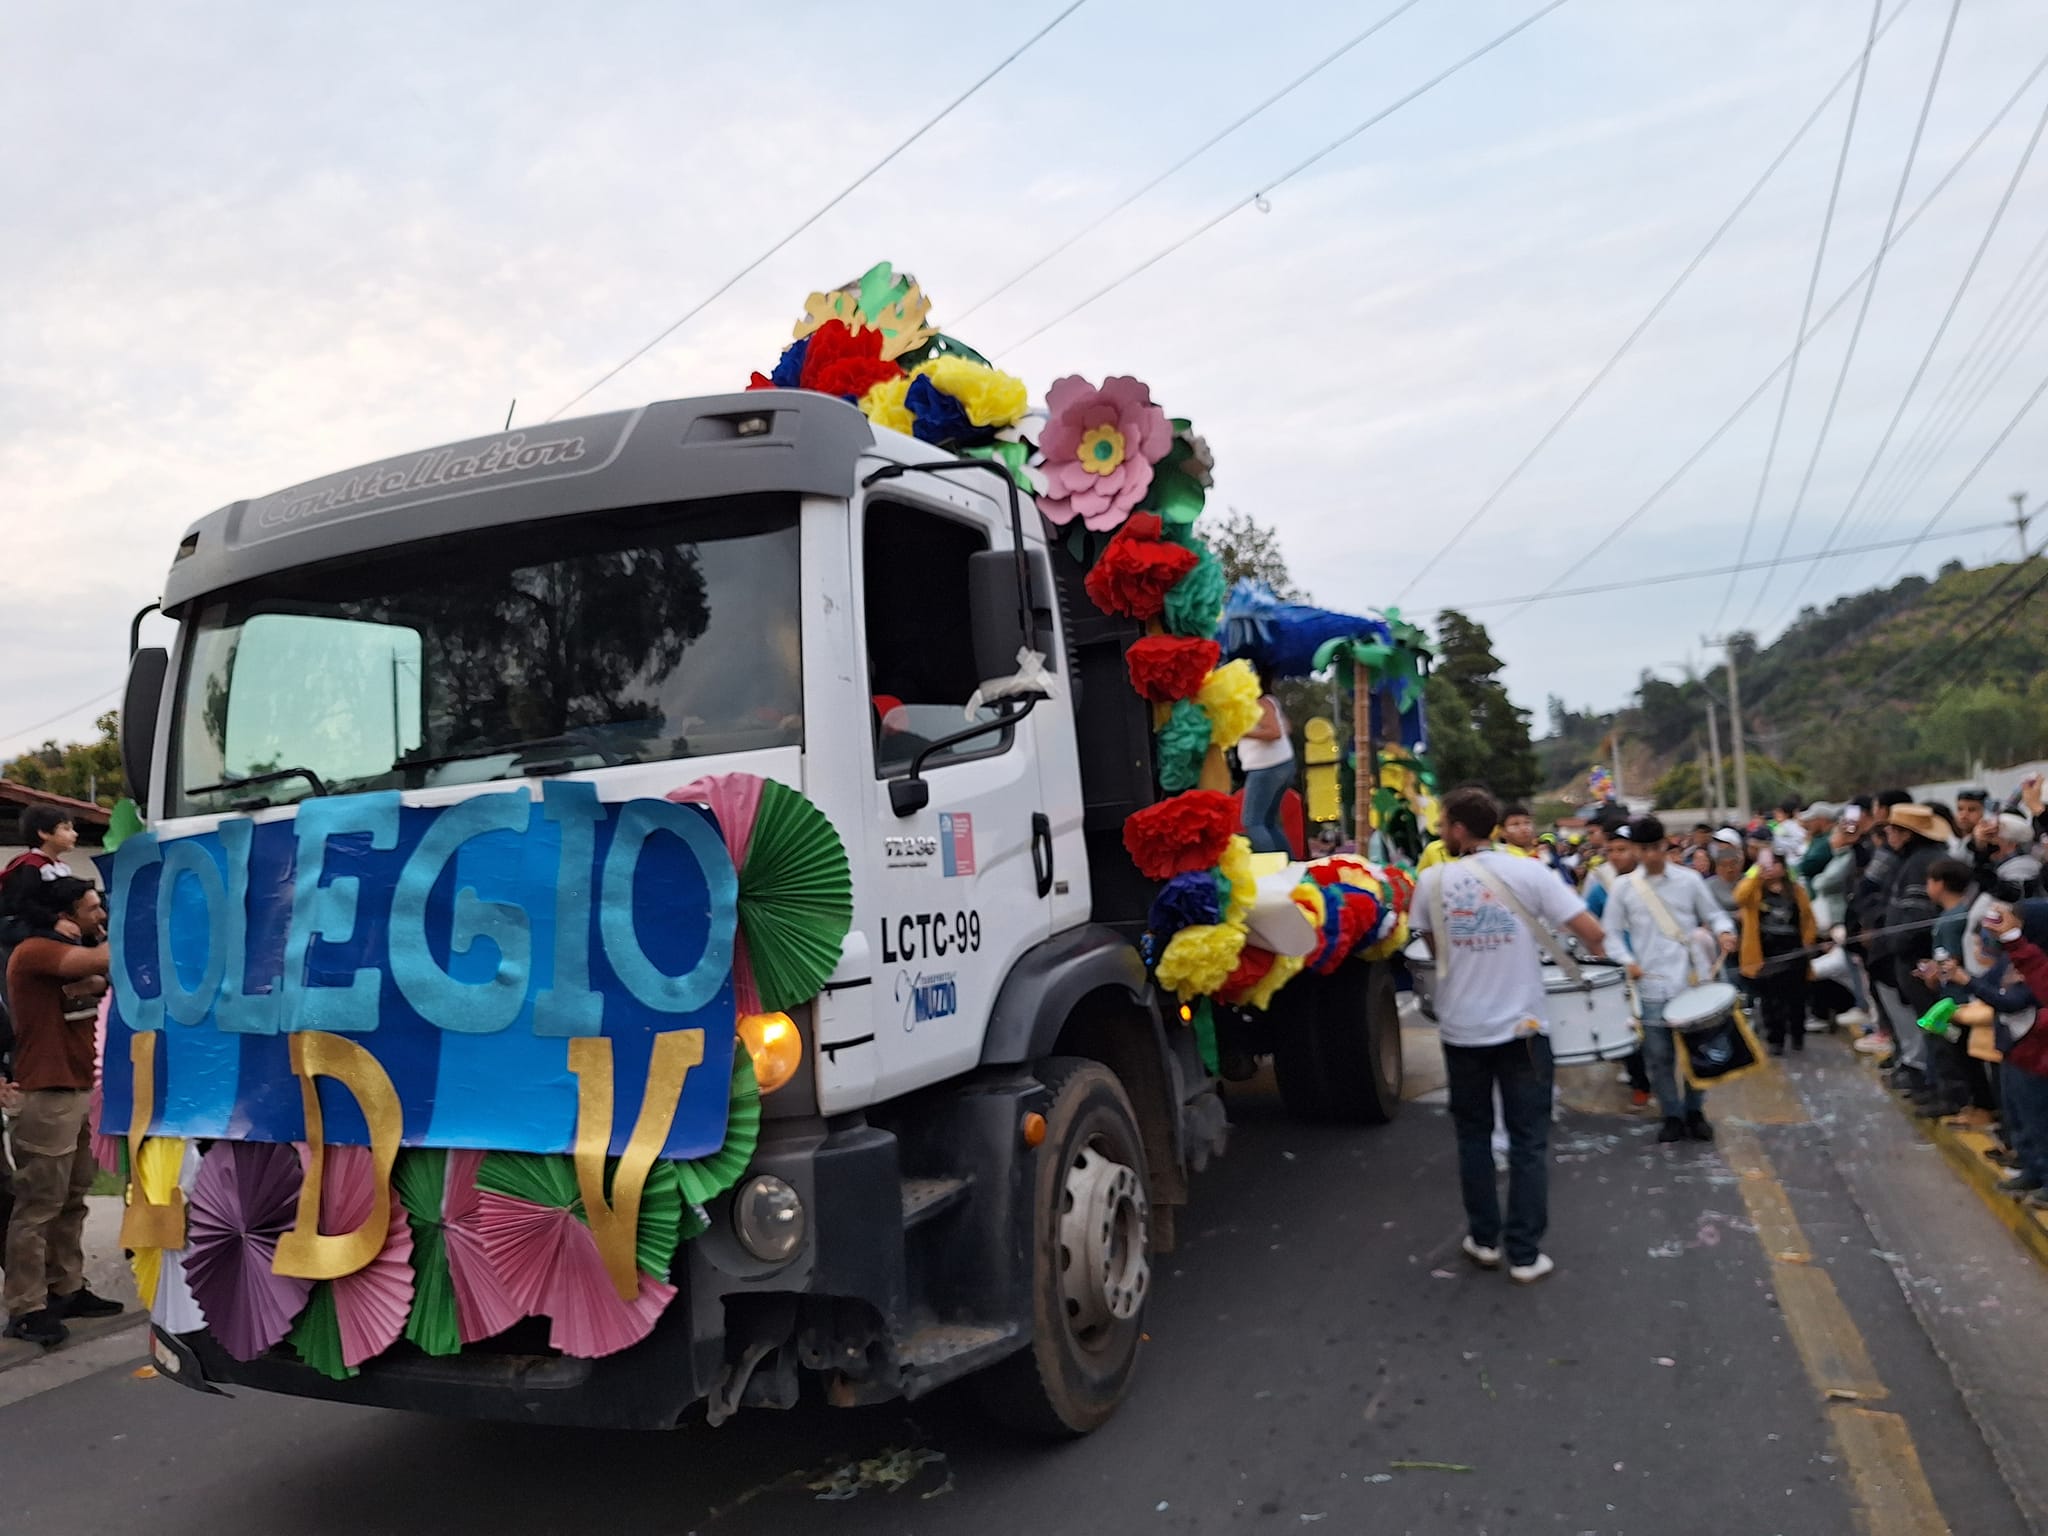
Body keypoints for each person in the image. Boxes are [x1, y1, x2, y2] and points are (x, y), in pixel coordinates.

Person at [1411, 787, 1607, 1285]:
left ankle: (1483, 1239)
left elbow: (1435, 948)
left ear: (1458, 829)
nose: (1438, 830)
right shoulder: (1529, 871)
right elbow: (1591, 932)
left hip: (1461, 1030)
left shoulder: (1430, 880)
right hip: (1523, 1028)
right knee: (1528, 1141)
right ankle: (1524, 1253)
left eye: (1442, 823)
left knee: (1473, 1137)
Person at [3, 876, 123, 1346]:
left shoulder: (64, 953)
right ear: (65, 915)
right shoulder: (35, 951)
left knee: (72, 1199)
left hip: (79, 1090)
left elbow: (100, 975)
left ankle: (67, 1288)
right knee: (37, 1206)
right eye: (93, 909)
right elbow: (101, 961)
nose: (101, 916)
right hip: (46, 1094)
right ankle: (26, 1306)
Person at [1600, 815, 1738, 1143]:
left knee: (1698, 1051)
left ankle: (1695, 1110)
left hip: (1692, 978)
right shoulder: (1623, 888)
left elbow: (1715, 914)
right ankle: (1671, 1114)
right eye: (1643, 848)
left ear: (1666, 845)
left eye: (1655, 847)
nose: (1650, 855)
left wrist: (1724, 932)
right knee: (1659, 1055)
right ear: (1635, 849)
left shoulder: (1689, 880)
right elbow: (1611, 935)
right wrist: (1627, 961)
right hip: (1651, 982)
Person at [1736, 849, 1818, 1055]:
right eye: (1766, 865)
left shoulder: (1796, 891)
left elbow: (1808, 919)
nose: (1770, 869)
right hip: (1766, 955)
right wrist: (1756, 874)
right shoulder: (1755, 891)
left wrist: (1808, 943)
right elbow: (1739, 896)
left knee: (1796, 999)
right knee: (1770, 1001)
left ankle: (1798, 1034)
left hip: (1794, 954)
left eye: (1774, 864)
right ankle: (1775, 1039)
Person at [1235, 671, 1296, 856]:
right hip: (1282, 764)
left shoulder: (1258, 702)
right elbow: (1287, 728)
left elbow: (1274, 732)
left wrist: (1241, 732)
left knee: (1252, 822)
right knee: (1268, 821)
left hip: (1265, 767)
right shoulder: (1269, 701)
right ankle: (1291, 865)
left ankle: (1273, 869)